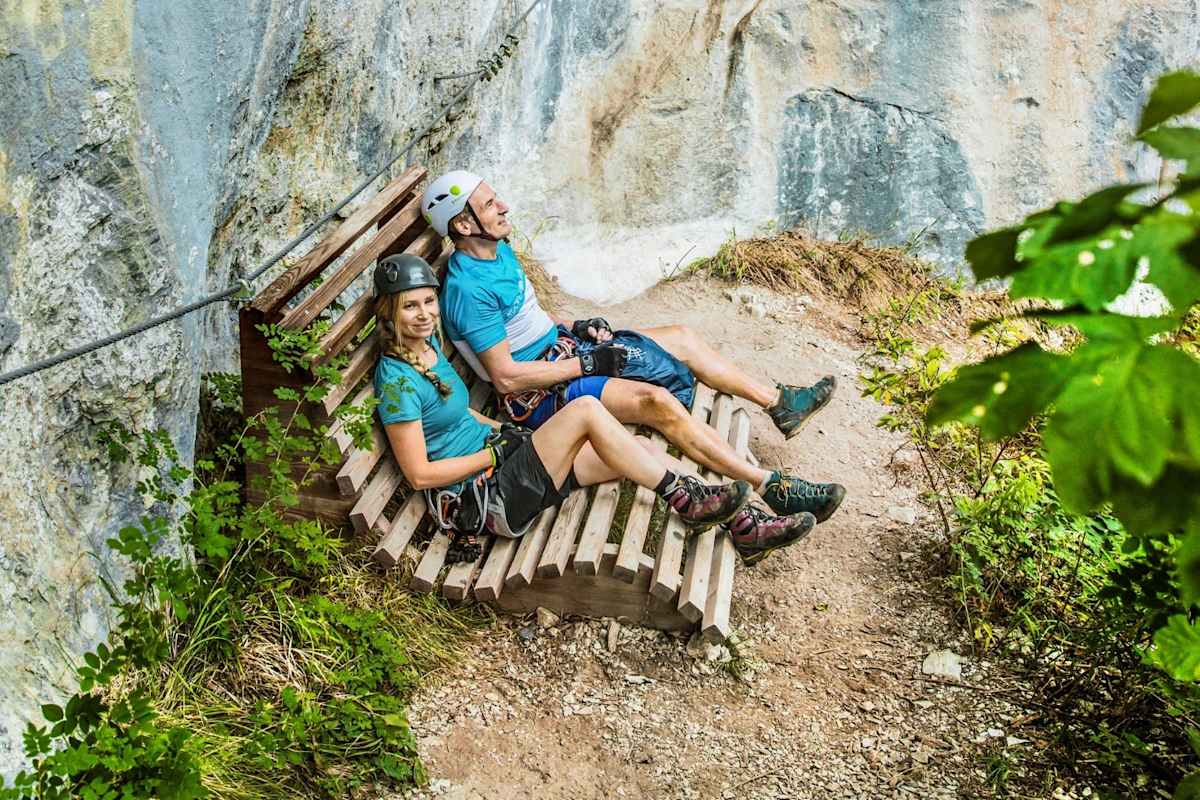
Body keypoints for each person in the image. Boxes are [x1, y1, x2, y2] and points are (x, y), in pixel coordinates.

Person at [419, 170, 848, 525]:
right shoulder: (467, 290)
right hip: (539, 396)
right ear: (462, 224)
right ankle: (769, 484)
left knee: (681, 336)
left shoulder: (498, 253)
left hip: (564, 353)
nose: (504, 207)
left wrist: (577, 326)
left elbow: (528, 322)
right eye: (491, 204)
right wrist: (587, 362)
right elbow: (507, 376)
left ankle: (780, 403)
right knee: (655, 401)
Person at [372, 253, 819, 566]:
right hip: (485, 499)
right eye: (410, 306)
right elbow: (419, 475)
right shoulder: (395, 383)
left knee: (641, 449)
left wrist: (507, 435)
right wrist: (496, 454)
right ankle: (684, 500)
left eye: (429, 301)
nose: (426, 314)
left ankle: (747, 529)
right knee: (585, 409)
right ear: (389, 313)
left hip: (506, 466)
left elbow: (461, 416)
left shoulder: (427, 347)